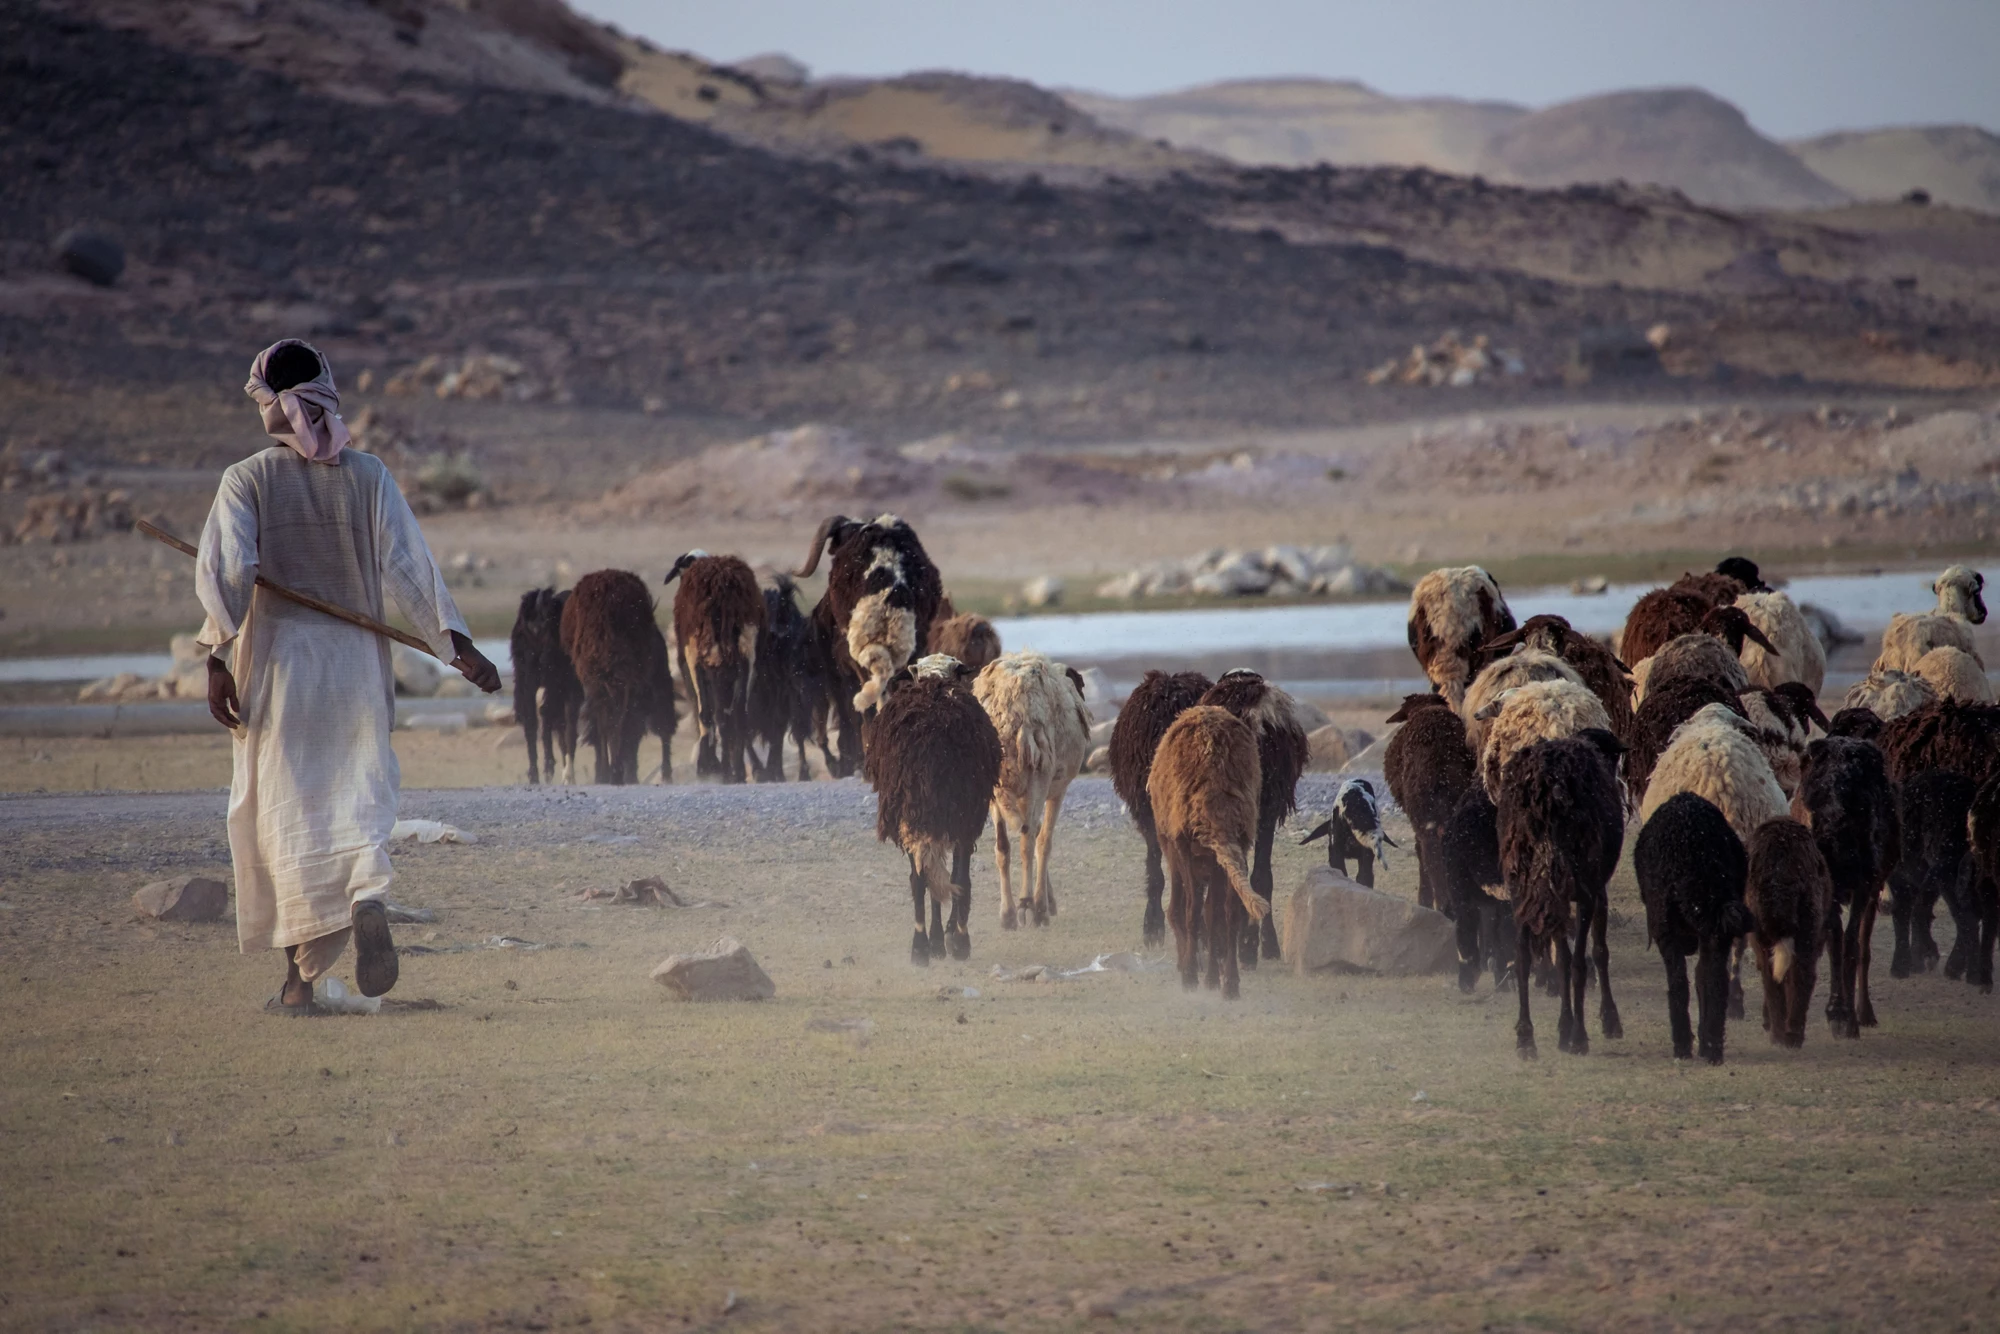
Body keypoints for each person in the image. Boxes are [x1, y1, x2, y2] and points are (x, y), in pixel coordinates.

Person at [197, 340, 500, 1014]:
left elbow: (228, 572)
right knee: (357, 802)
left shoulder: (246, 480)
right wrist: (457, 647)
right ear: (327, 390)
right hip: (357, 669)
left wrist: (216, 657)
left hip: (280, 672)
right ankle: (366, 893)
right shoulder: (370, 476)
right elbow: (411, 569)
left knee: (286, 820)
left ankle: (299, 984)